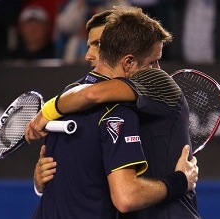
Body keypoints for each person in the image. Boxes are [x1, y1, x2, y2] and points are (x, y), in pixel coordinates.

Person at [26, 6, 198, 218]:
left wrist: (46, 112)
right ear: (127, 60)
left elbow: (90, 96)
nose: (158, 71)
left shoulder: (69, 98)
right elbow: (125, 197)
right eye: (153, 62)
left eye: (98, 44)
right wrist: (181, 180)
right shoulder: (114, 108)